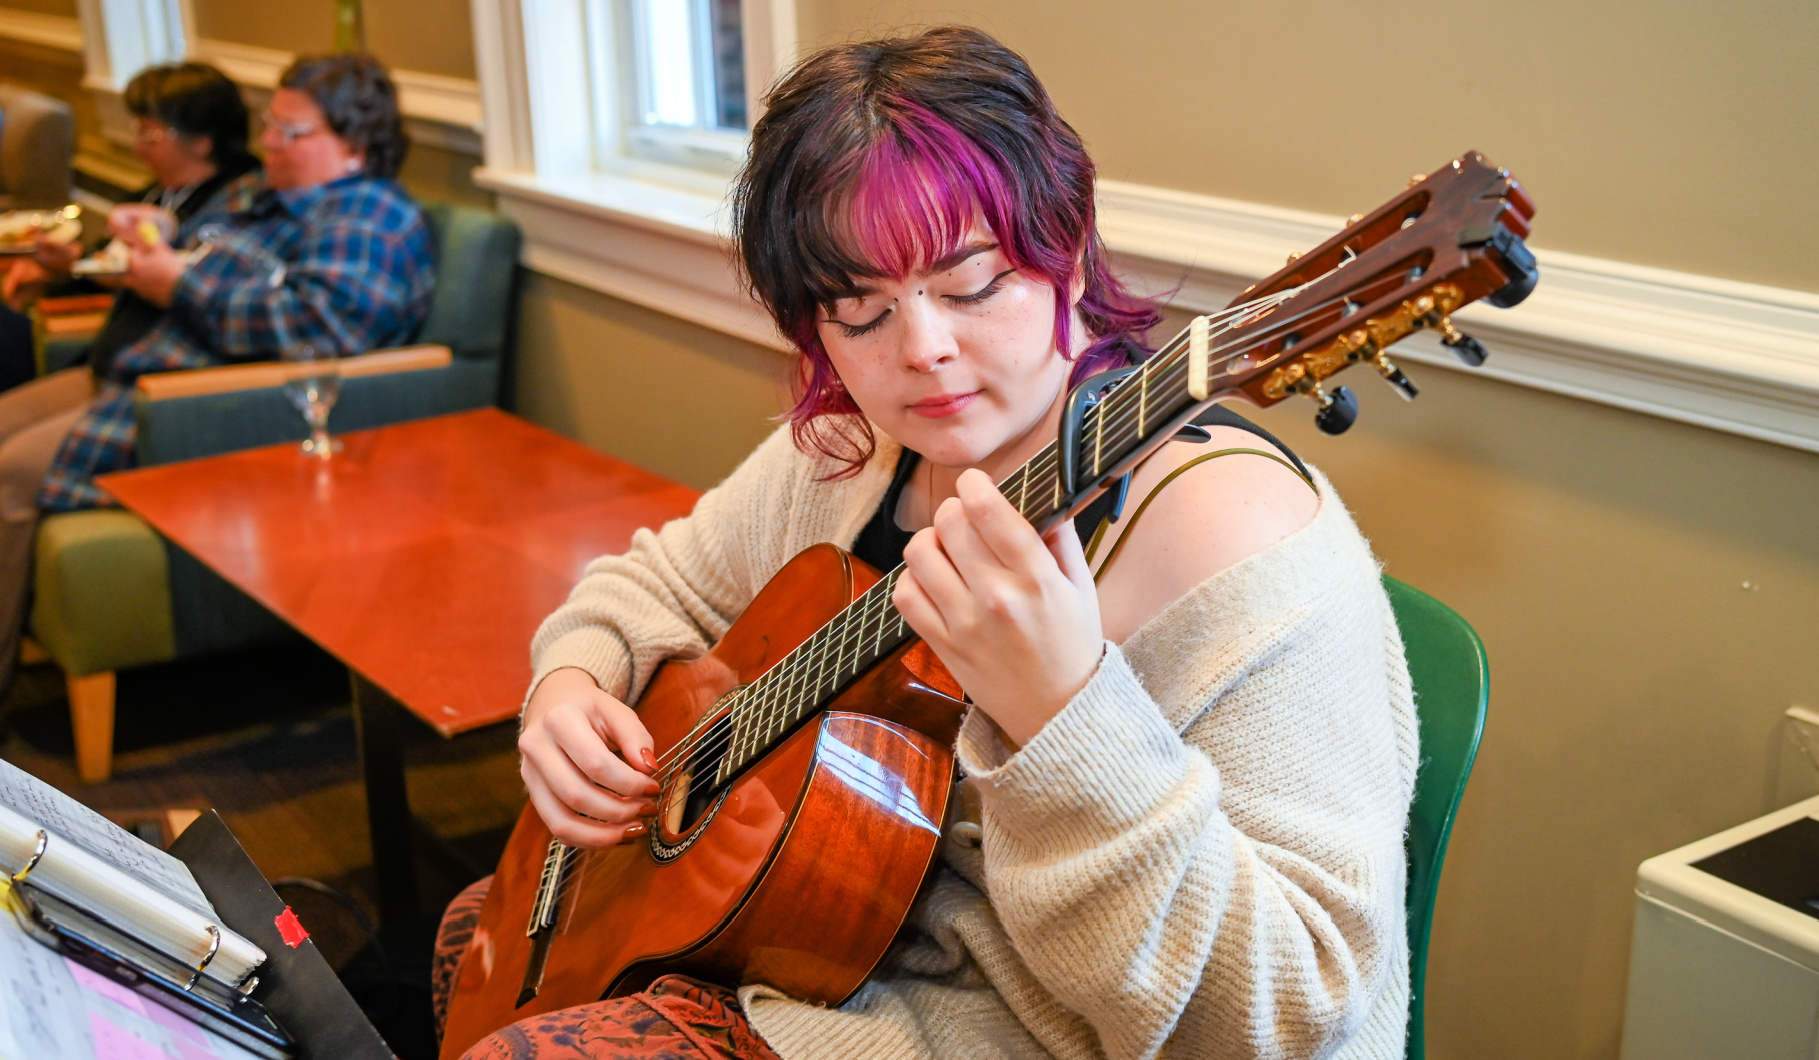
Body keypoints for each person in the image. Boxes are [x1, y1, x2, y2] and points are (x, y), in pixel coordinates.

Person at [440, 26, 1414, 1060]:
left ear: (1068, 253)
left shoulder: (1242, 541)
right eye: (861, 310)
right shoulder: (858, 453)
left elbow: (1296, 1017)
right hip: (804, 961)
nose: (923, 351)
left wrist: (1064, 713)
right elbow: (652, 585)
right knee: (481, 940)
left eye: (971, 284)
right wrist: (572, 681)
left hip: (1009, 1032)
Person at [0, 53, 435, 690]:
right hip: (128, 369)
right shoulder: (273, 194)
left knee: (9, 474)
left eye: (291, 133)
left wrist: (181, 285)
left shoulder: (367, 219)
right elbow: (200, 238)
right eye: (270, 125)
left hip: (183, 405)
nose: (268, 144)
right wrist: (151, 230)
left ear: (356, 145)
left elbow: (316, 329)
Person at [1, 63, 258, 390]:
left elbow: (194, 287)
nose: (138, 148)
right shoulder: (158, 193)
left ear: (202, 141)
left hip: (153, 364)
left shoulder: (237, 203)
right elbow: (101, 262)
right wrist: (64, 266)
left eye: (150, 135)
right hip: (106, 351)